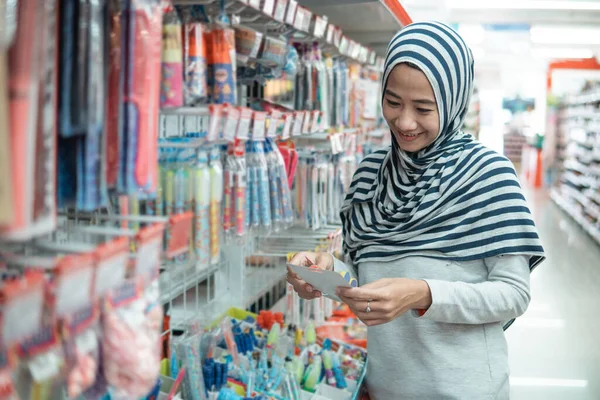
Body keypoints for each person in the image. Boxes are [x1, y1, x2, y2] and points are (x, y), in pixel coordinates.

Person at [287, 22, 545, 399]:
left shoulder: (488, 175)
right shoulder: (370, 176)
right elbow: (363, 282)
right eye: (393, 102)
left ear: (454, 100)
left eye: (424, 108)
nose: (404, 122)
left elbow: (513, 293)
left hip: (464, 390)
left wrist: (423, 294)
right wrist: (326, 272)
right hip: (383, 386)